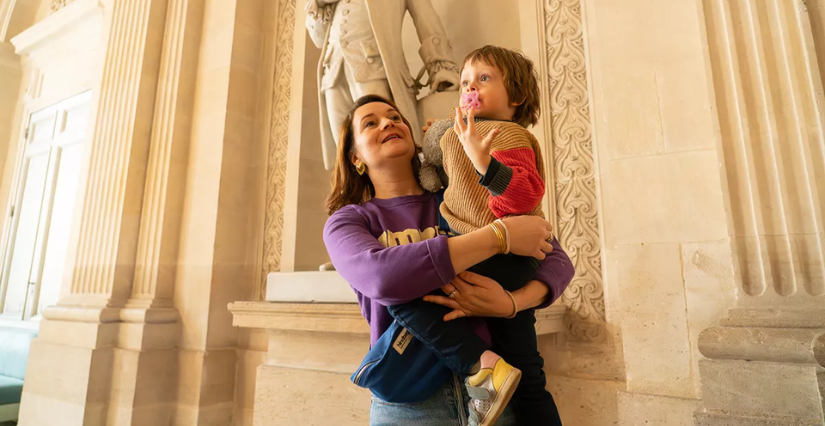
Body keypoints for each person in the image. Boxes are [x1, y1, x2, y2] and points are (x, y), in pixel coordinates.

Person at [323, 94, 573, 425]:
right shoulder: (348, 221)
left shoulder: (458, 200)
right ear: (355, 157)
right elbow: (383, 277)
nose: (388, 123)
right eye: (371, 123)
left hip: (496, 394)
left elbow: (555, 259)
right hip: (409, 406)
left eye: (395, 117)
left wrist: (511, 303)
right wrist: (497, 237)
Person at [388, 45, 560, 426]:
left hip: (505, 258)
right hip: (479, 252)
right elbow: (442, 177)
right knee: (526, 367)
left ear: (516, 97)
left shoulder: (508, 136)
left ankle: (481, 369)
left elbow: (525, 196)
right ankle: (494, 373)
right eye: (465, 81)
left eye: (483, 79)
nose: (470, 88)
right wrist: (435, 156)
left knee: (406, 293)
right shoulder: (458, 133)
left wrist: (483, 161)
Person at [305, 0, 461, 170]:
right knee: (347, 157)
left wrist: (441, 65)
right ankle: (355, 188)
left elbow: (425, 17)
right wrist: (319, 4)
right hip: (333, 74)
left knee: (386, 145)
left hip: (375, 68)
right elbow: (319, 40)